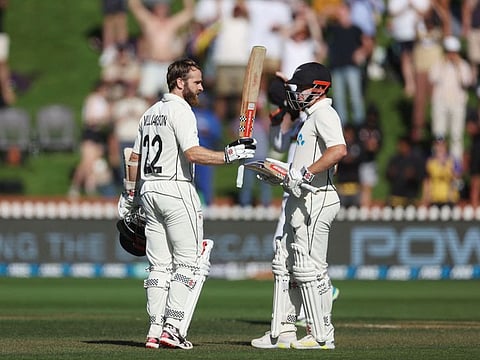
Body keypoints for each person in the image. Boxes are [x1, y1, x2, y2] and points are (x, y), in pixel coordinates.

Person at [118, 58, 256, 349]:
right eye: (197, 82)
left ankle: (154, 330)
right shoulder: (181, 111)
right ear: (180, 83)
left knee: (159, 266)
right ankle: (172, 327)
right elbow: (193, 154)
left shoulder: (150, 112)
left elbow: (134, 157)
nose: (202, 87)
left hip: (149, 192)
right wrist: (230, 156)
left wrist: (129, 196)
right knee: (188, 263)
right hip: (177, 189)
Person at [251, 62, 347, 350]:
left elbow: (338, 150)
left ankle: (322, 336)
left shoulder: (325, 114)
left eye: (301, 87)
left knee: (312, 268)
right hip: (300, 199)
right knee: (285, 264)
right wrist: (280, 173)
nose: (296, 93)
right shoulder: (309, 117)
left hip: (317, 199)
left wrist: (305, 173)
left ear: (318, 89)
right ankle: (284, 331)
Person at [128, 0, 194, 103]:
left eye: (164, 7)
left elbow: (189, 12)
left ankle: (169, 118)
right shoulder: (149, 22)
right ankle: (150, 118)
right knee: (147, 96)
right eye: (159, 7)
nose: (162, 9)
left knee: (173, 97)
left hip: (168, 64)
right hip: (152, 64)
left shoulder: (172, 23)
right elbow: (135, 7)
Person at [429, 35, 473, 168]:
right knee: (439, 134)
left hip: (457, 103)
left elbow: (466, 82)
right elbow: (433, 77)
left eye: (453, 52)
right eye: (449, 52)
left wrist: (458, 66)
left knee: (456, 135)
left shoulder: (464, 66)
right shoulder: (439, 64)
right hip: (440, 102)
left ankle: (455, 164)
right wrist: (443, 63)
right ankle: (438, 160)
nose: (451, 55)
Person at [386, 135, 426, 206]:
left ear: (408, 146)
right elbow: (387, 175)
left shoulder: (415, 160)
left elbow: (421, 177)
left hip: (410, 198)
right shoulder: (395, 159)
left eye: (402, 145)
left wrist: (413, 175)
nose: (400, 147)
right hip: (395, 197)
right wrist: (390, 173)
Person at [420, 136, 460, 207]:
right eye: (437, 145)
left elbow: (457, 178)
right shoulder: (430, 162)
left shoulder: (452, 160)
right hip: (434, 198)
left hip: (449, 198)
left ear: (446, 146)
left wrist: (446, 168)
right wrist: (425, 197)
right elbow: (427, 181)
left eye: (442, 145)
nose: (440, 147)